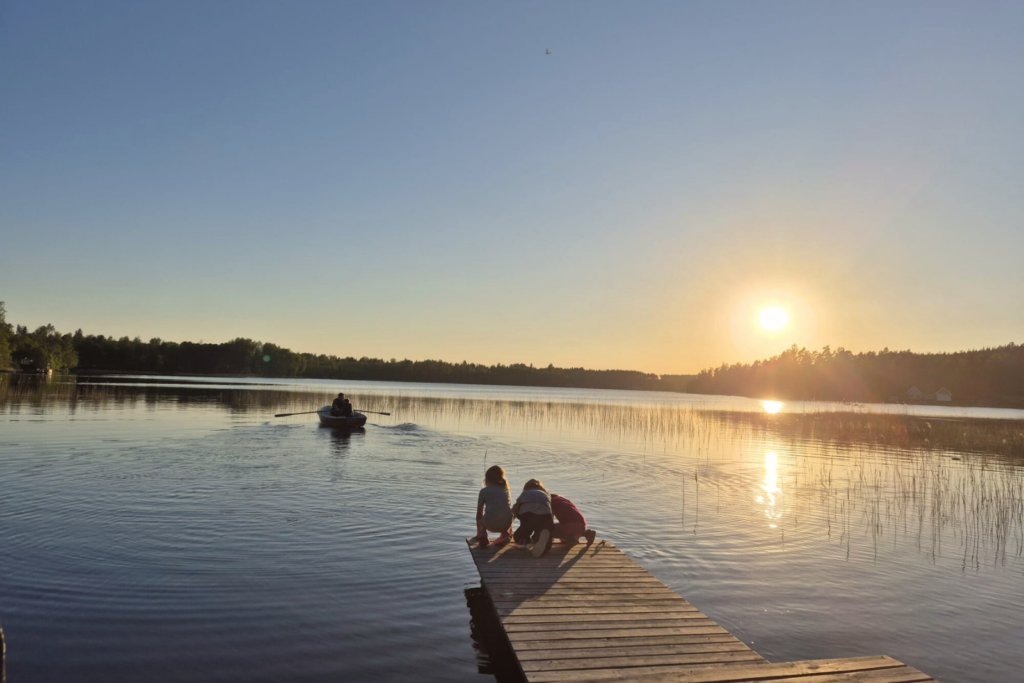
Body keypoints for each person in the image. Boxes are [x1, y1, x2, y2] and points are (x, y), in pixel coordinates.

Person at [511, 479, 553, 557]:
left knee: (520, 533)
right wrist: (550, 529)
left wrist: (509, 527)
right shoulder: (546, 494)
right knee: (542, 529)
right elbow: (550, 511)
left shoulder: (525, 493)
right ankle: (542, 540)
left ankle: (524, 541)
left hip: (528, 515)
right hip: (545, 516)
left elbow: (514, 511)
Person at [475, 465, 513, 547]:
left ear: (487, 478)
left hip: (489, 524)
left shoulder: (484, 491)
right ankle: (505, 535)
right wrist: (510, 529)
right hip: (506, 524)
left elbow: (479, 514)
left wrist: (478, 533)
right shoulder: (506, 490)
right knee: (505, 512)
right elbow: (507, 510)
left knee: (483, 518)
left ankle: (483, 534)